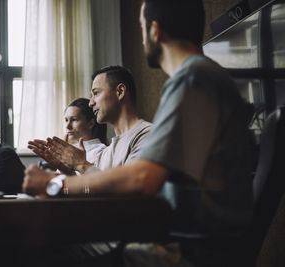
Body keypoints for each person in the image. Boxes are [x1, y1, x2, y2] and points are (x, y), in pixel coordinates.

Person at [23, 0, 254, 266]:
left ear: (154, 31)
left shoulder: (193, 79)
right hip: (187, 241)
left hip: (190, 252)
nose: (144, 38)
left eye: (142, 27)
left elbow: (141, 180)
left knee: (37, 250)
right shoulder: (200, 77)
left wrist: (56, 184)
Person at [30, 66, 152, 177]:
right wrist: (68, 172)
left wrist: (81, 164)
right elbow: (94, 194)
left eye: (96, 93)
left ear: (120, 92)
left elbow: (131, 192)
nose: (91, 102)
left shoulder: (147, 135)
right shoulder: (105, 153)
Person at [28, 98, 107, 174]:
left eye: (74, 120)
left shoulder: (101, 152)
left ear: (91, 123)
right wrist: (62, 170)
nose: (67, 126)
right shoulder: (68, 151)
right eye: (66, 120)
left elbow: (97, 185)